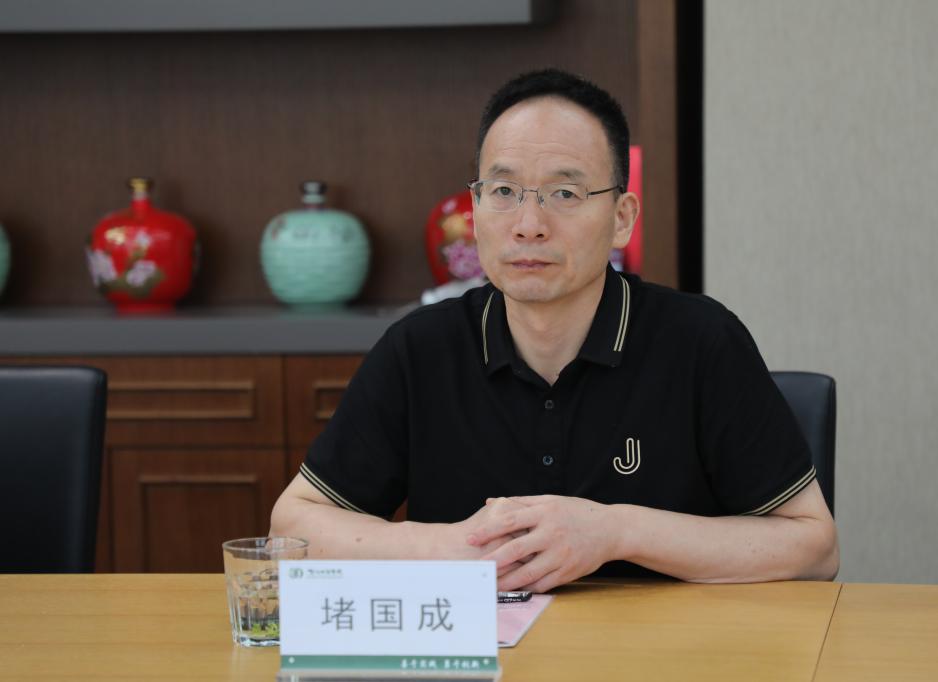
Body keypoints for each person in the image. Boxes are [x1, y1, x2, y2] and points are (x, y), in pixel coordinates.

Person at [270, 68, 839, 592]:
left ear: (622, 218)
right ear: (475, 209)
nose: (529, 225)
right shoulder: (420, 349)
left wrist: (615, 531)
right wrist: (449, 547)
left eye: (564, 194)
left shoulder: (701, 341)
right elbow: (292, 528)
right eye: (503, 192)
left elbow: (814, 547)